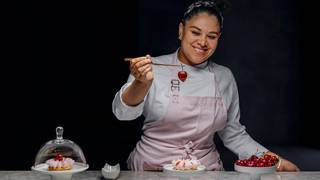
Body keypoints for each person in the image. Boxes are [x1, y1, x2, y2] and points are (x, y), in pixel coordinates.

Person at [112, 0, 299, 171]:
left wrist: (276, 161)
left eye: (211, 36)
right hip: (151, 170)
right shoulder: (151, 67)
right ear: (181, 30)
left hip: (206, 171)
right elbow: (123, 113)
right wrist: (140, 83)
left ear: (219, 38)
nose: (202, 42)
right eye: (195, 32)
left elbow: (234, 135)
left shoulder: (224, 76)